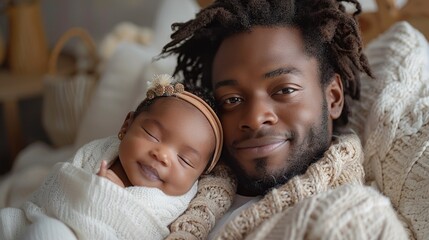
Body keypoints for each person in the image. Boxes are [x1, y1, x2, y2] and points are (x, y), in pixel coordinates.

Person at [160, 0, 409, 239]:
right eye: (232, 99)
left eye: (285, 90)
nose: (255, 119)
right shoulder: (166, 177)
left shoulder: (360, 221)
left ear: (333, 98)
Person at [0, 74, 234, 240]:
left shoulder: (180, 207)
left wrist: (105, 198)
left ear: (199, 176)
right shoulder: (98, 153)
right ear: (127, 124)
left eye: (184, 160)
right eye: (152, 134)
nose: (162, 155)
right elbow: (55, 192)